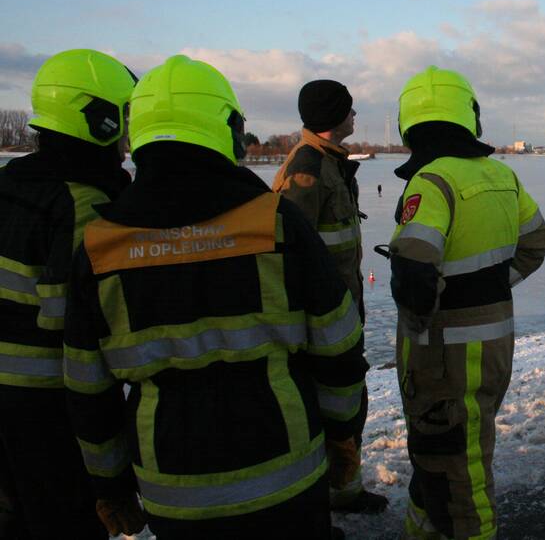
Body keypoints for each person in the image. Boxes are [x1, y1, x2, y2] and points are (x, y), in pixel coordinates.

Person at [63, 56, 367, 539]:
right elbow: (338, 347)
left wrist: (109, 482)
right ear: (229, 128)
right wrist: (343, 433)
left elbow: (87, 389)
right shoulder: (275, 224)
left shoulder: (100, 247)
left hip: (170, 489)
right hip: (288, 473)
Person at [388, 66, 545, 539]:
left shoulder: (431, 181)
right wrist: (491, 289)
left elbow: (415, 274)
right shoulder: (502, 175)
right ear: (470, 118)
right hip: (494, 345)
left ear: (409, 123)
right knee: (442, 461)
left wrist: (438, 306)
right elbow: (537, 244)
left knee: (461, 475)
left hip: (442, 358)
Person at [0, 49, 137, 539]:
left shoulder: (12, 183)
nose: (126, 137)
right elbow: (79, 321)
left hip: (13, 407)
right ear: (98, 121)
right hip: (48, 405)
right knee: (67, 520)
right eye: (123, 118)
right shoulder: (83, 201)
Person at [271, 79, 385, 513]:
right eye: (350, 109)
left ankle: (343, 490)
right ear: (333, 116)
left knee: (348, 404)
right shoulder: (307, 169)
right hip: (320, 322)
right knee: (331, 409)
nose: (355, 116)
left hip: (340, 312)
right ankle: (320, 500)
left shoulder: (329, 163)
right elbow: (289, 252)